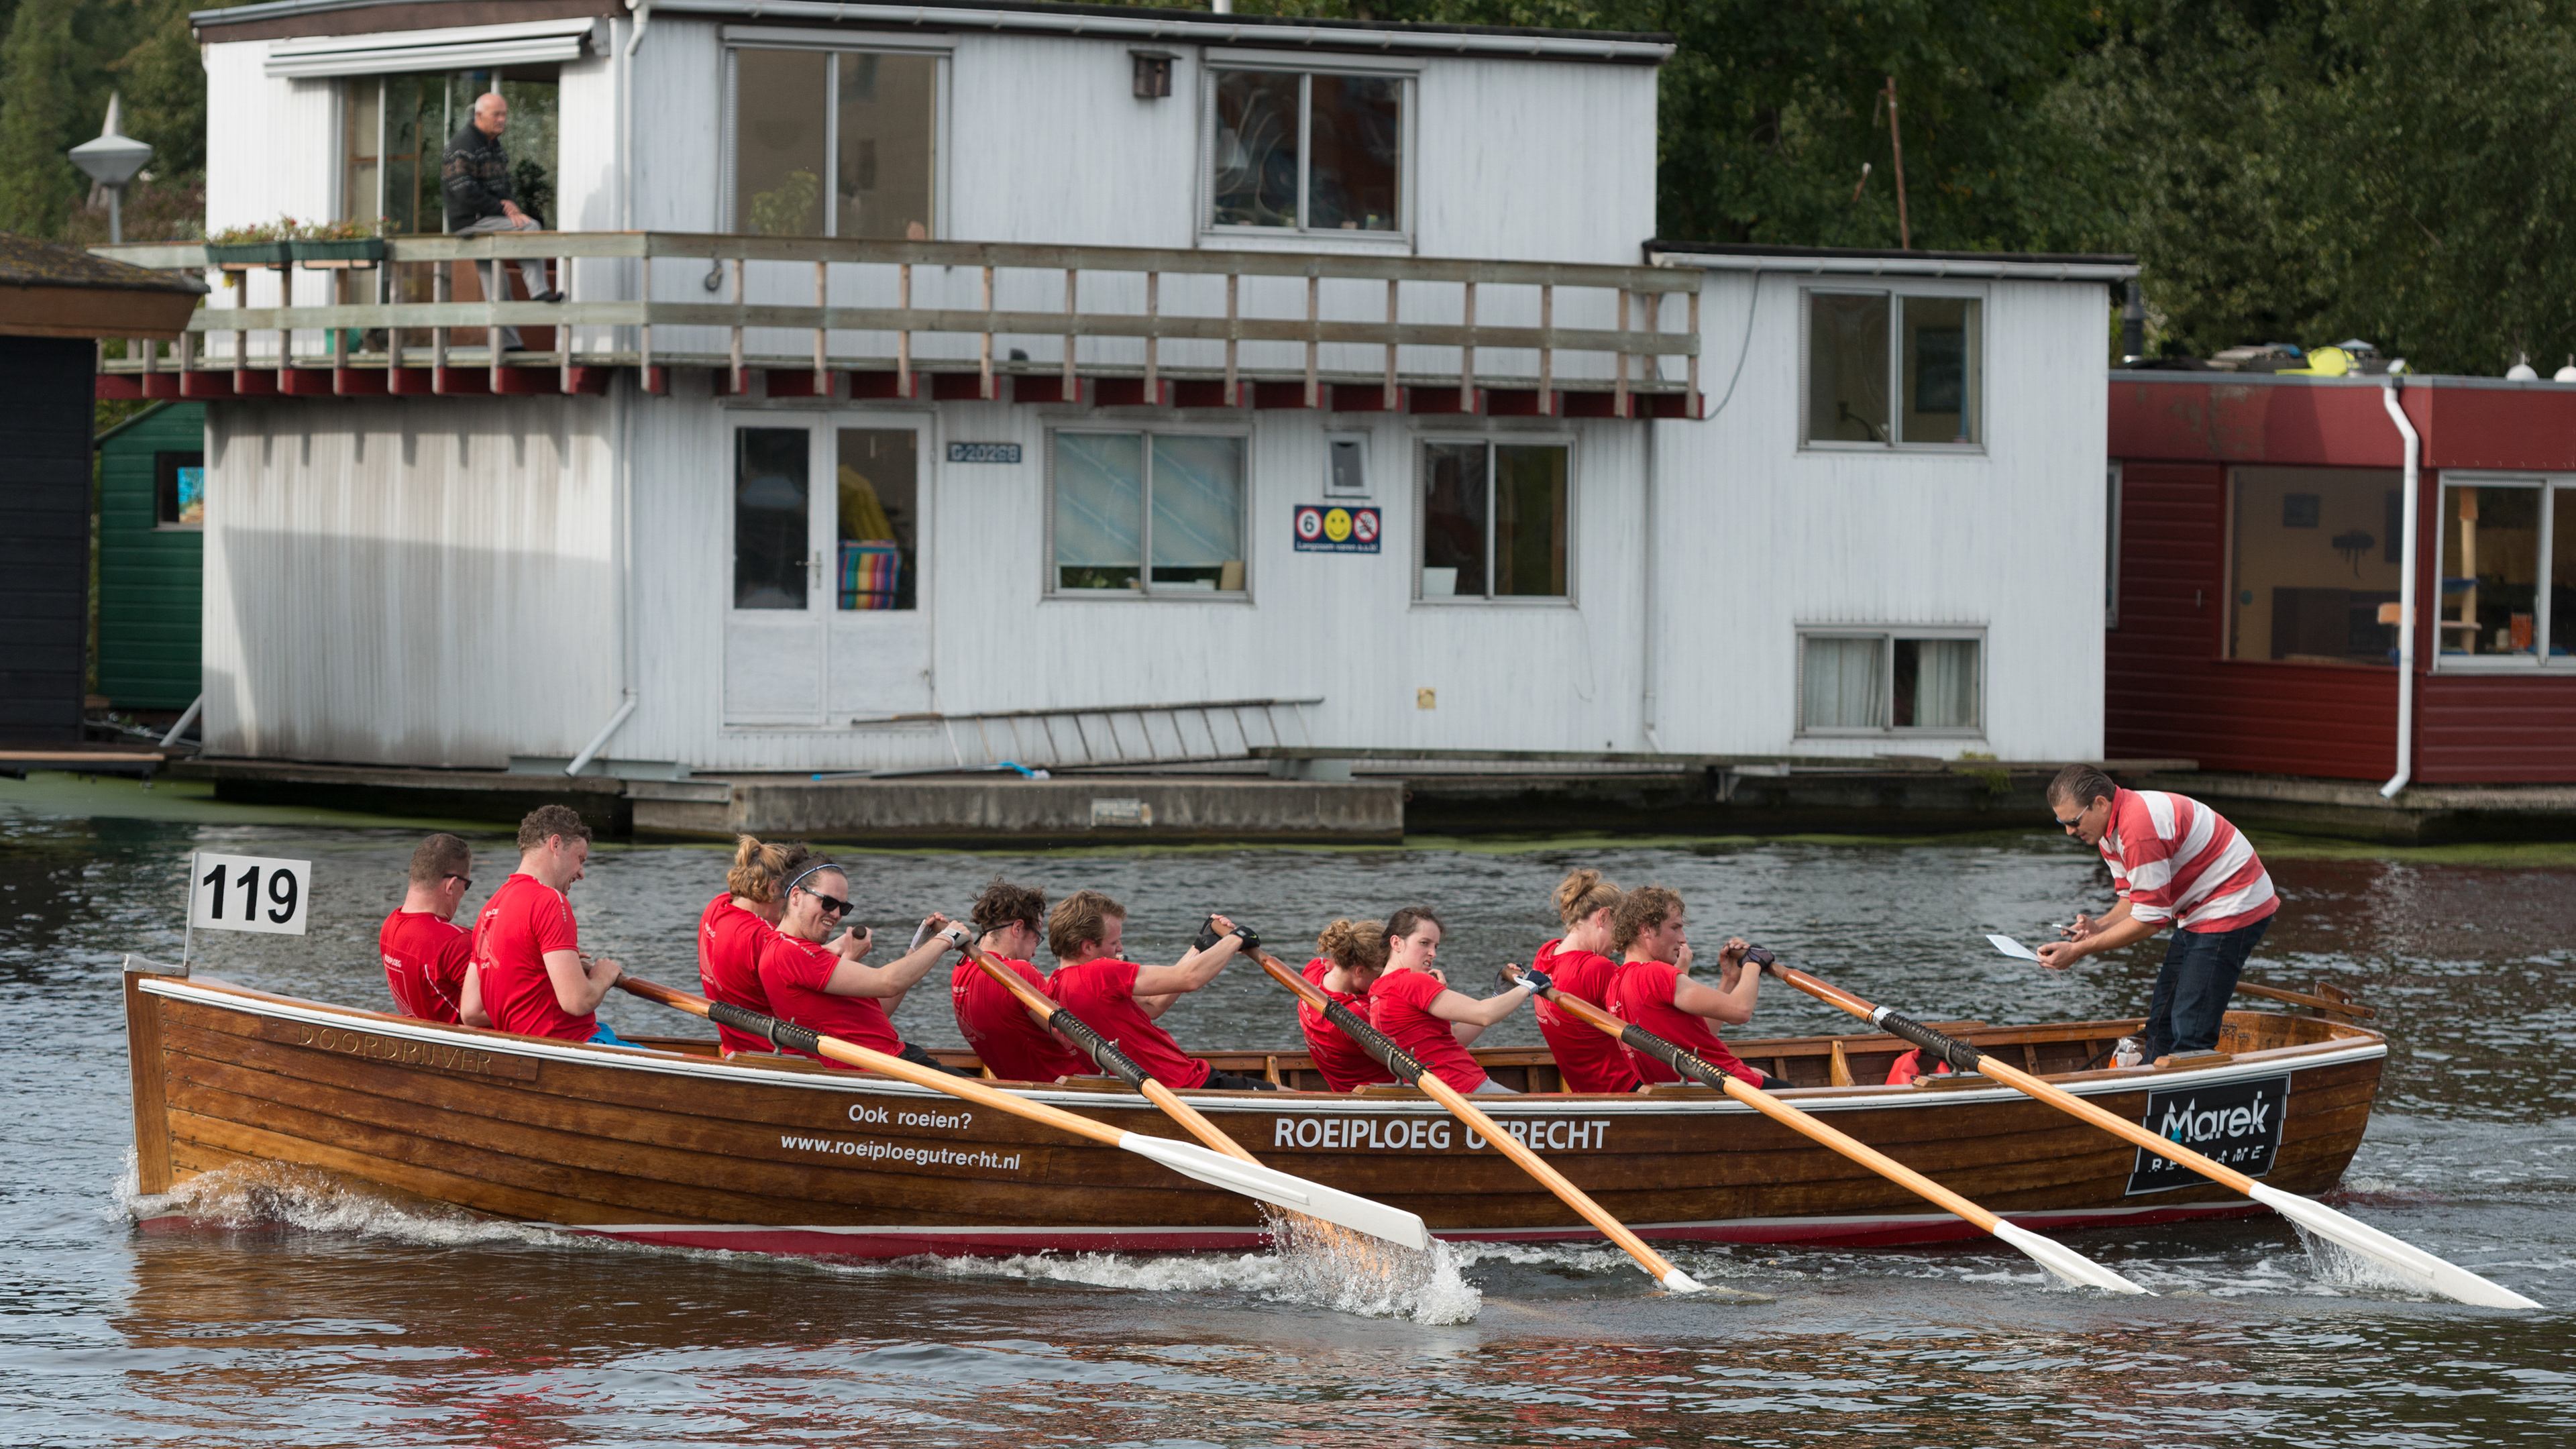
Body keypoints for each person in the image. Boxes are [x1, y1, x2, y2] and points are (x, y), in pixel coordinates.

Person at [2036, 763, 2279, 1062]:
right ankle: (2151, 1079)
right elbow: (2133, 898)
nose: (2069, 831)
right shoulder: (2106, 833)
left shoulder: (2138, 830)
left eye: (2073, 821)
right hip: (2198, 909)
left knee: (2191, 1029)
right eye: (2061, 822)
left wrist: (2079, 950)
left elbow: (2151, 920)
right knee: (2161, 1020)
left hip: (2235, 901)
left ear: (2100, 803)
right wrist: (2099, 926)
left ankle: (2188, 1083)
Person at [1042, 891, 1276, 1091]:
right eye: (1113, 943)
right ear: (1087, 947)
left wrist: (1201, 946)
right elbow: (1190, 978)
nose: (1120, 949)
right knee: (1291, 1094)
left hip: (1157, 1088)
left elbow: (1153, 1005)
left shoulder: (1053, 987)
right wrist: (1236, 939)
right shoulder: (1098, 973)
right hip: (1185, 1084)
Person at [757, 860, 971, 1075]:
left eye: (844, 908)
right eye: (828, 903)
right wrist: (946, 939)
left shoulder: (795, 950)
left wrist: (918, 949)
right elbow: (889, 982)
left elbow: (879, 1011)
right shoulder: (791, 952)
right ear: (796, 896)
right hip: (883, 1069)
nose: (836, 914)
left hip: (889, 1061)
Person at [462, 805, 637, 1046]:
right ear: (556, 844)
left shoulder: (490, 909)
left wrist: (554, 971)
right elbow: (577, 1001)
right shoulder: (550, 900)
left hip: (522, 1047)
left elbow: (471, 1012)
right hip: (573, 1044)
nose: (582, 873)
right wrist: (603, 976)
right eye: (580, 859)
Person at [1603, 885, 1778, 1089]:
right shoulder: (1655, 974)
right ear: (1647, 929)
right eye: (1675, 928)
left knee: (1762, 1074)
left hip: (1691, 1090)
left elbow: (1699, 1036)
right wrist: (1753, 962)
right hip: (1726, 1087)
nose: (1683, 939)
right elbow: (1741, 1010)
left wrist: (1730, 978)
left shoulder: (1616, 982)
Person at [1367, 906, 1543, 1095]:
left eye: (1435, 946)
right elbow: (1485, 1014)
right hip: (1463, 1085)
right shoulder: (1412, 982)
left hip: (1443, 1091)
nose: (1433, 953)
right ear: (1396, 943)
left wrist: (1498, 996)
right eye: (1424, 943)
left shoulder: (1378, 990)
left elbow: (1455, 1036)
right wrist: (1530, 986)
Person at [442, 91, 561, 351]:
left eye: (505, 114)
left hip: (490, 218)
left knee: (497, 283)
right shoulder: (462, 145)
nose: (502, 119)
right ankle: (539, 290)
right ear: (479, 115)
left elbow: (504, 185)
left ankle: (507, 344)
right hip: (471, 221)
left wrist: (509, 204)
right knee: (530, 227)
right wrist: (502, 208)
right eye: (496, 114)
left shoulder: (495, 146)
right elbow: (463, 192)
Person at [949, 877, 1089, 1083]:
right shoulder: (1020, 972)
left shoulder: (961, 970)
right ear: (1018, 928)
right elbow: (1075, 1036)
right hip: (1070, 1084)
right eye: (1037, 938)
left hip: (1020, 1082)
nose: (1034, 952)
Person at [1528, 869, 1643, 1093]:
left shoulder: (1544, 955)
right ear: (1603, 917)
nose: (1621, 943)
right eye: (1620, 929)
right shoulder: (1595, 968)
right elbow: (1655, 1022)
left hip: (1586, 1090)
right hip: (1629, 1089)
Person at [698, 835, 810, 1056]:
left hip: (736, 1048)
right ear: (773, 889)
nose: (795, 907)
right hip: (781, 1056)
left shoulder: (717, 906)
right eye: (793, 896)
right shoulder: (763, 938)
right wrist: (848, 956)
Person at [380, 833, 486, 1026]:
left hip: (419, 1038)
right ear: (451, 885)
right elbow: (506, 1006)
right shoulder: (457, 944)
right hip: (462, 1044)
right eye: (466, 885)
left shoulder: (389, 925)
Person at [1296, 919, 1398, 1093]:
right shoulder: (1356, 1016)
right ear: (1360, 971)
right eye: (1382, 973)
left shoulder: (1314, 969)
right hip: (1383, 1097)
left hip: (1344, 1087)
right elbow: (1411, 1060)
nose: (1387, 978)